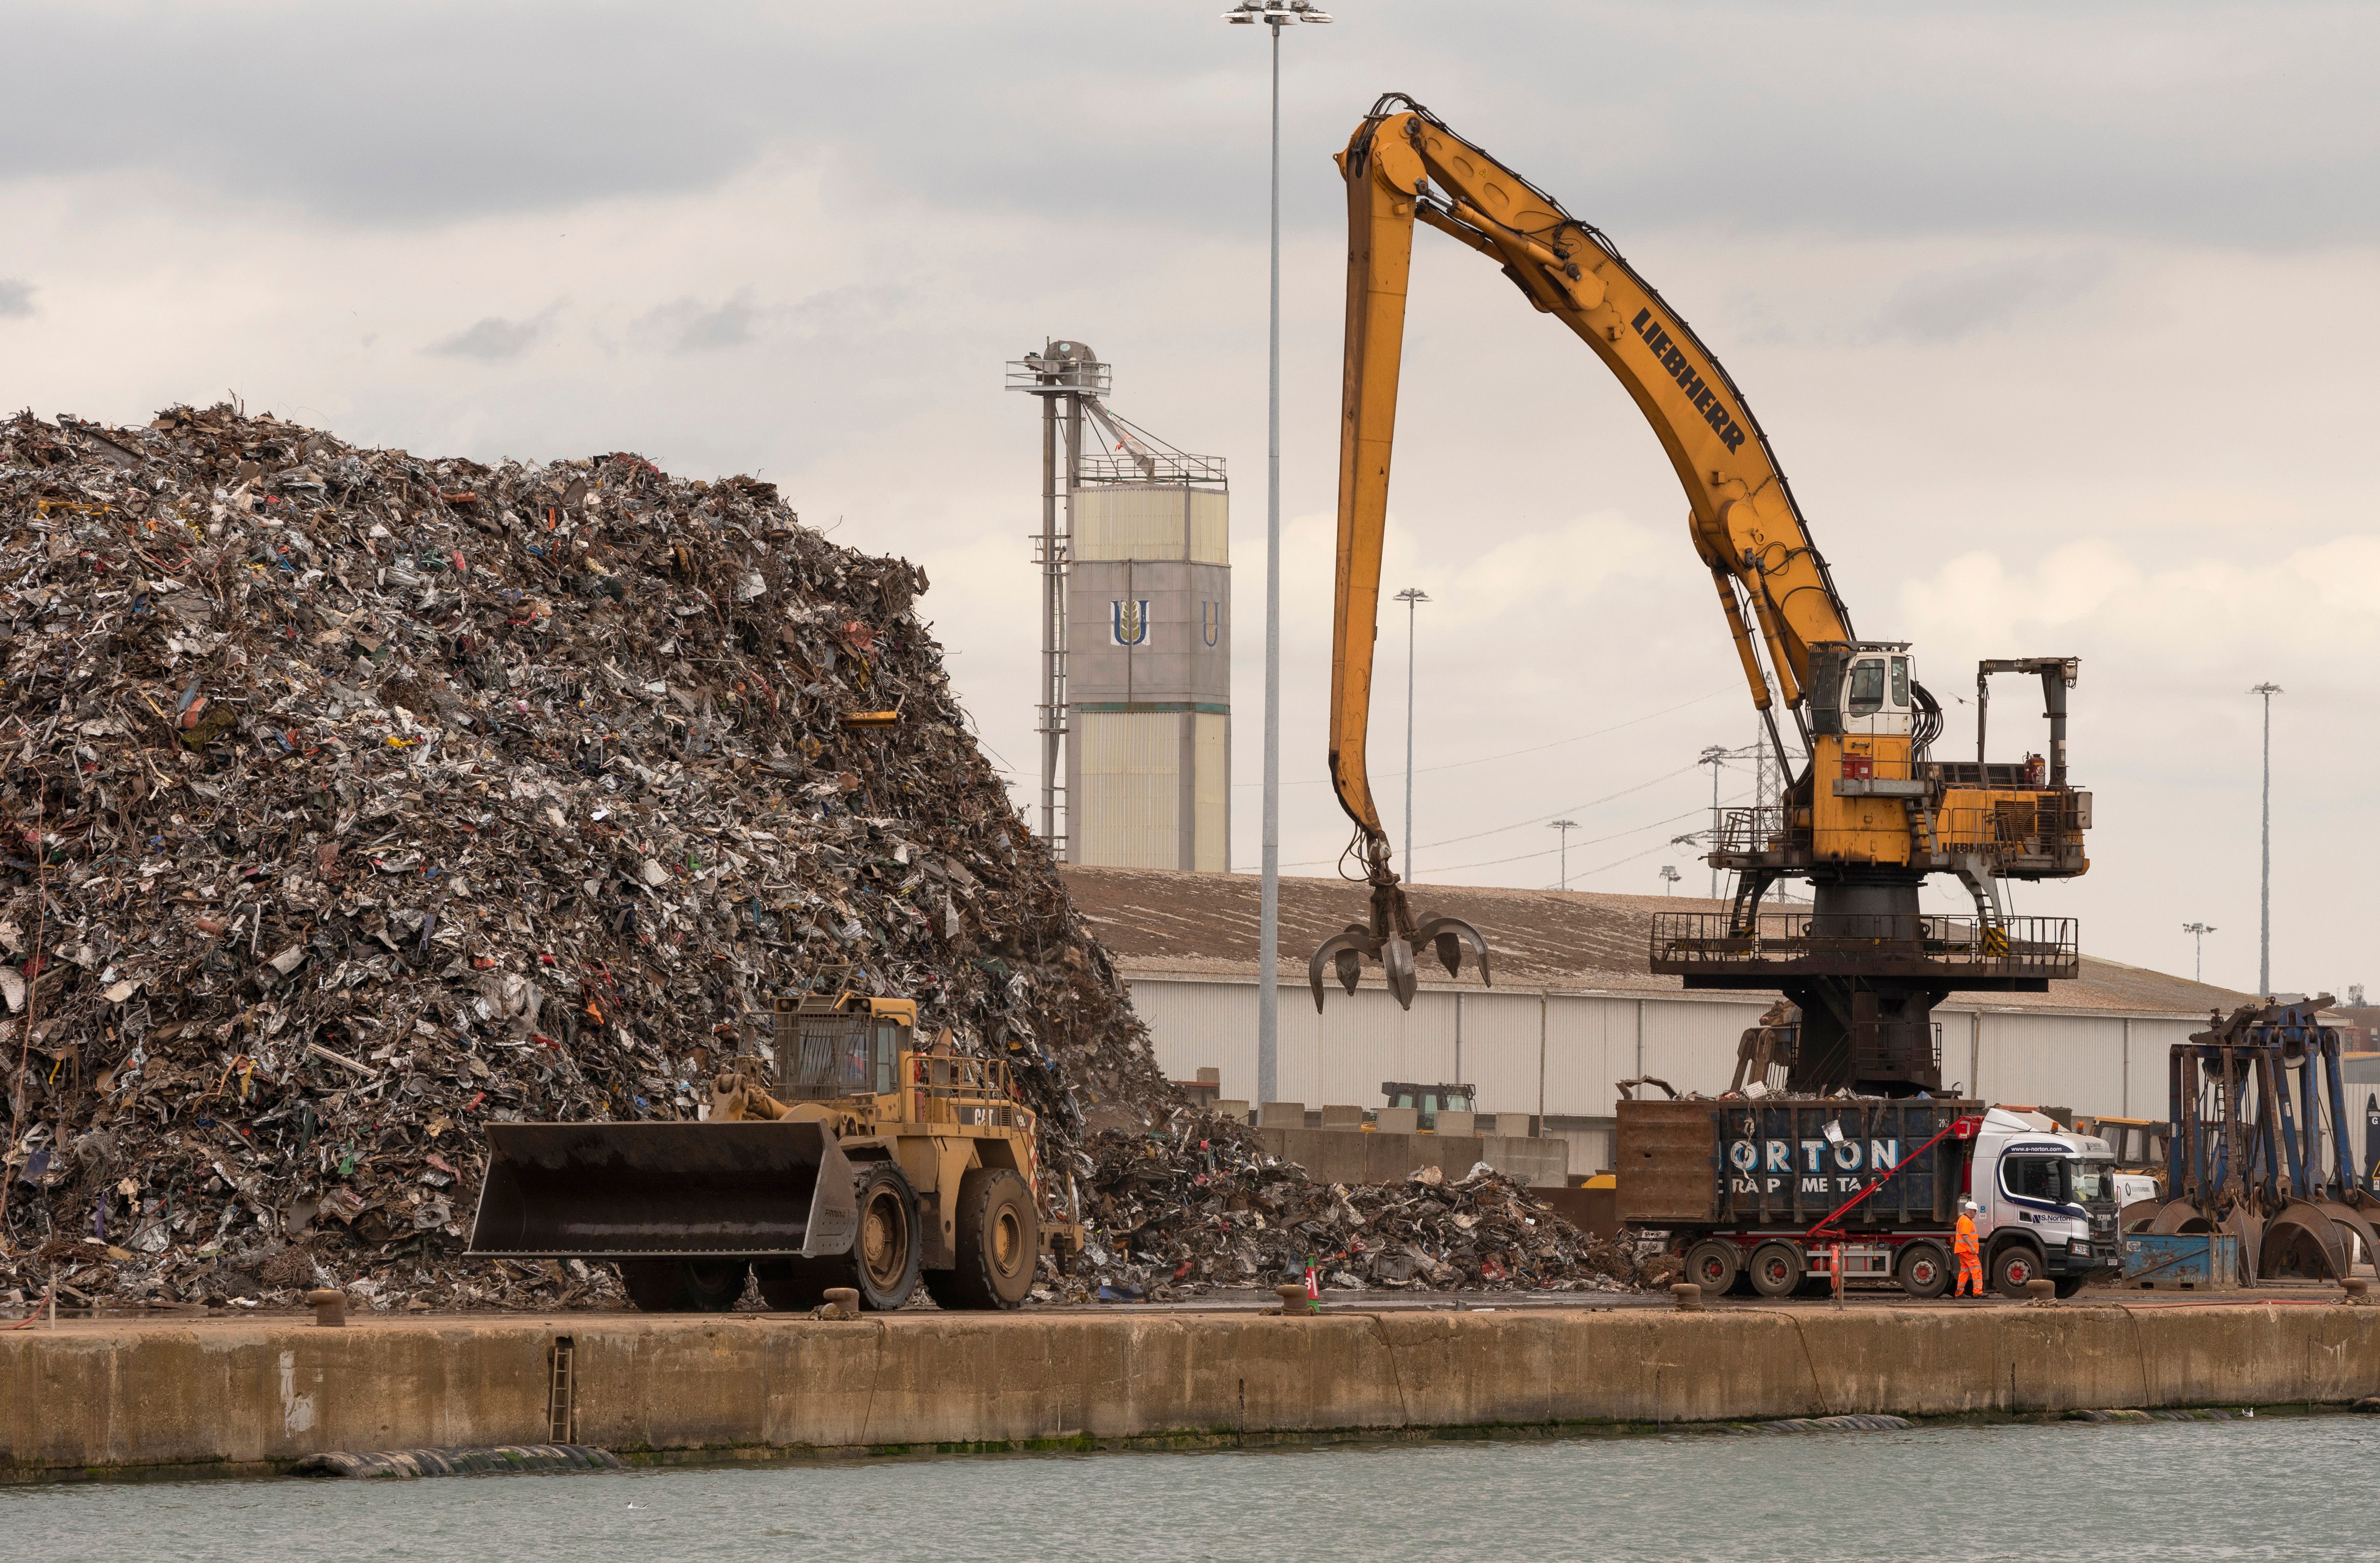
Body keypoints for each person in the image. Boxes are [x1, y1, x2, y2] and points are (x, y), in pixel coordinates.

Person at [1953, 1199, 1985, 1298]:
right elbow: (1965, 1236)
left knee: (1965, 1270)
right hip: (1967, 1250)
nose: (1975, 1214)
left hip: (1961, 1250)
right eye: (1975, 1212)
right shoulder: (1966, 1221)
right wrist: (1972, 1247)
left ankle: (1959, 1293)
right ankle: (1978, 1292)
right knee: (1977, 1269)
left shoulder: (1963, 1219)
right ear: (1971, 1211)